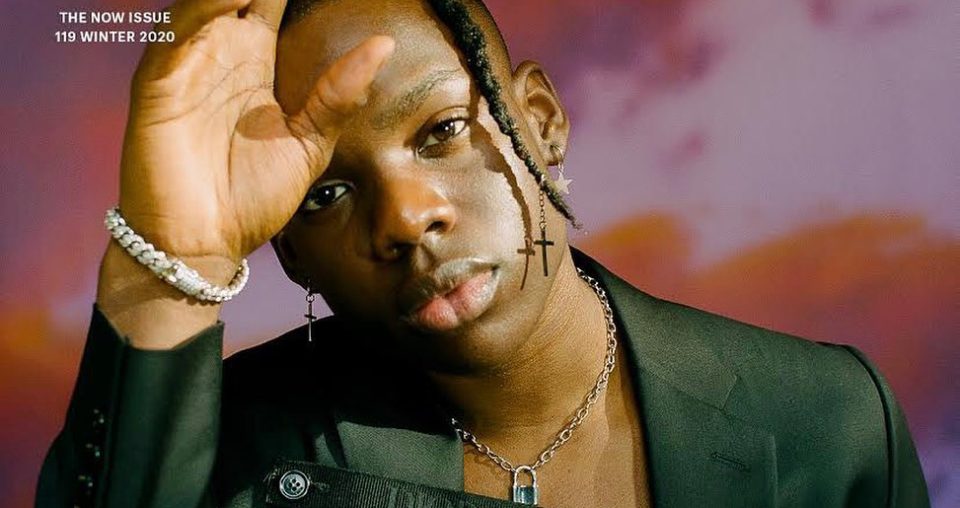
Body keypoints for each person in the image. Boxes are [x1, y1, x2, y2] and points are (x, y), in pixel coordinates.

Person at [36, 0, 930, 506]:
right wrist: (175, 250)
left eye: (441, 131)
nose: (405, 219)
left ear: (539, 122)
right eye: (325, 195)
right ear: (292, 257)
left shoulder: (829, 419)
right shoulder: (233, 447)